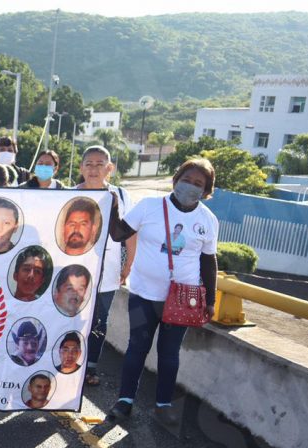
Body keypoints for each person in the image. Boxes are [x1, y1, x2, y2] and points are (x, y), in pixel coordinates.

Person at [107, 158, 219, 426]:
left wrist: (211, 300)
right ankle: (125, 401)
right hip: (144, 294)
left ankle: (163, 404)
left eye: (198, 184)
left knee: (169, 354)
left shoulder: (208, 220)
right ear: (175, 180)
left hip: (182, 299)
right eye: (186, 180)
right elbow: (118, 233)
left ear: (206, 191)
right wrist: (112, 208)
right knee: (137, 348)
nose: (190, 186)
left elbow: (208, 261)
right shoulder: (149, 207)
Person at [77, 145, 132, 386]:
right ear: (81, 168)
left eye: (100, 164)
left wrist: (128, 265)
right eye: (89, 163)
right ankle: (68, 365)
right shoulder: (69, 193)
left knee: (99, 320)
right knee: (72, 318)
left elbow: (129, 233)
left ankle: (90, 368)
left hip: (107, 271)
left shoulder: (120, 195)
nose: (94, 169)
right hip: (75, 269)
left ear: (109, 169)